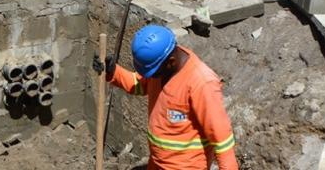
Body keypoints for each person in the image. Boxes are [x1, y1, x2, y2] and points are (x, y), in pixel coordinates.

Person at [93, 24, 238, 170]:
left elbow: (222, 142)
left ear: (171, 62)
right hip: (157, 163)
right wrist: (113, 72)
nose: (151, 77)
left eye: (152, 73)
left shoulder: (202, 83)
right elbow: (139, 84)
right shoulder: (162, 67)